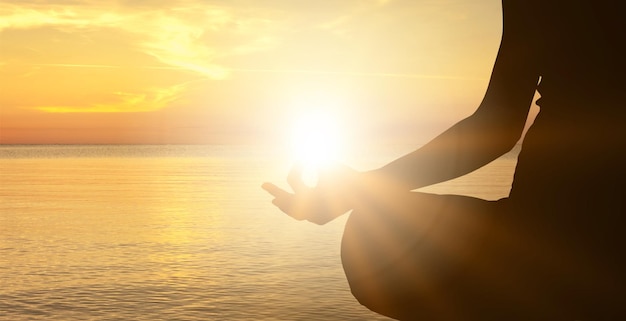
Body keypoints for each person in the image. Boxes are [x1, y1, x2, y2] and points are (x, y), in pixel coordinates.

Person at [263, 0, 625, 319]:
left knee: (370, 241)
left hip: (561, 221)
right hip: (562, 218)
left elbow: (498, 123)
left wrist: (363, 190)